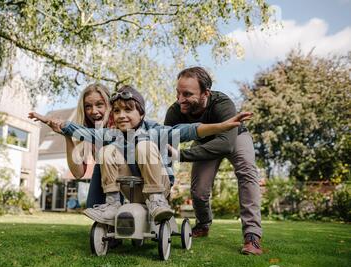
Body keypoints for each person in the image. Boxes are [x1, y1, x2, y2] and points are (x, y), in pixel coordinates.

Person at [29, 85, 253, 226]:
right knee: (107, 151)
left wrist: (222, 125)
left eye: (128, 110)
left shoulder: (156, 131)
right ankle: (112, 204)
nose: (121, 115)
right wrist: (54, 123)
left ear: (141, 113)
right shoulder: (111, 134)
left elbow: (192, 130)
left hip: (158, 187)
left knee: (144, 147)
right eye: (117, 111)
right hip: (132, 190)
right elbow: (84, 131)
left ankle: (156, 201)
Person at [164, 66, 263, 255]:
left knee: (247, 173)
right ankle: (203, 224)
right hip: (203, 142)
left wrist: (182, 155)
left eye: (187, 94)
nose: (180, 99)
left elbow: (226, 144)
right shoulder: (175, 111)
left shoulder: (222, 103)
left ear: (205, 93)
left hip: (234, 137)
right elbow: (164, 145)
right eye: (178, 93)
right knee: (199, 191)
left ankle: (252, 236)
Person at [44, 83, 113, 208]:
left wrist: (69, 127)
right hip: (104, 175)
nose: (93, 111)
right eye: (88, 106)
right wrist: (67, 135)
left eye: (99, 105)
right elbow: (78, 173)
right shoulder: (85, 132)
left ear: (109, 105)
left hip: (127, 177)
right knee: (93, 208)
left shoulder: (117, 126)